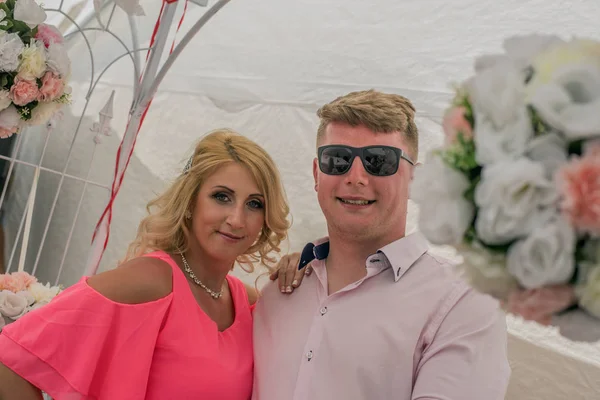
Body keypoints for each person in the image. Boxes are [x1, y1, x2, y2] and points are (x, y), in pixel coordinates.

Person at [0, 129, 297, 400]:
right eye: (222, 197)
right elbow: (10, 356)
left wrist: (307, 267)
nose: (237, 219)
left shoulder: (249, 302)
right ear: (191, 202)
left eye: (254, 204)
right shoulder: (152, 280)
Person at [252, 90, 511, 400]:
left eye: (379, 161)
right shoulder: (277, 294)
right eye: (337, 159)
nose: (356, 176)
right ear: (316, 174)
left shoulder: (462, 303)